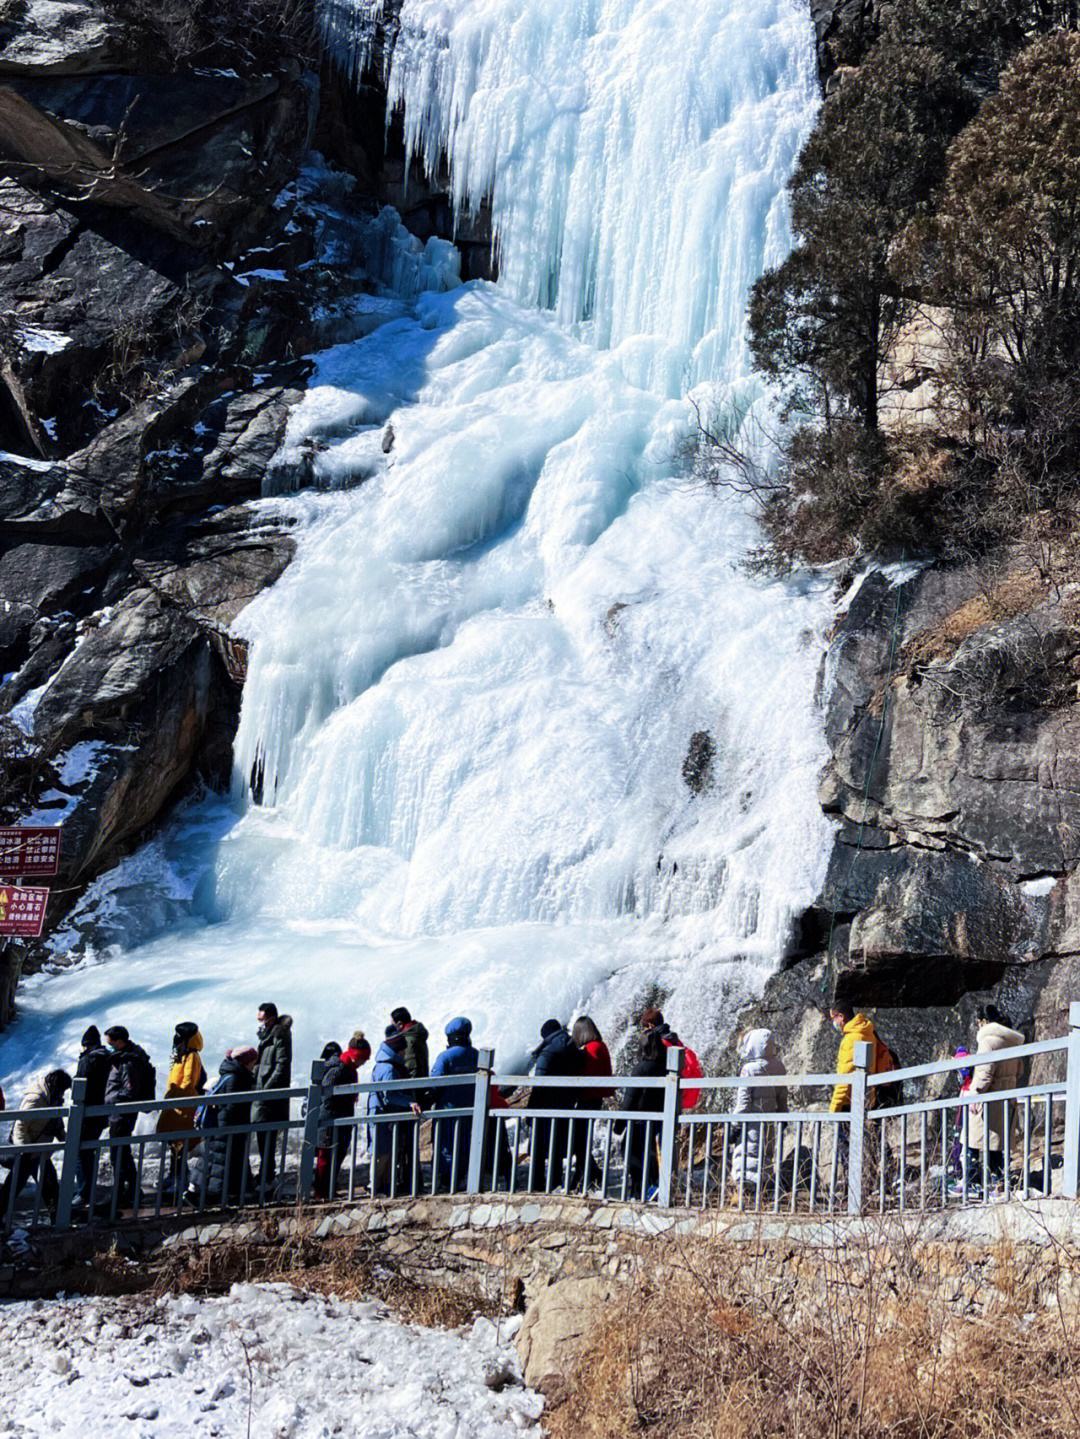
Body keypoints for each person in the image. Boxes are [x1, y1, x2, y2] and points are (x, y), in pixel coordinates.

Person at [189, 1046, 258, 1206]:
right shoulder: (236, 1077)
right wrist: (230, 1126)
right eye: (253, 1062)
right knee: (220, 1164)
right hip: (227, 1127)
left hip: (223, 1126)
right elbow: (232, 1106)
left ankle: (203, 1192)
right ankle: (212, 1197)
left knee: (216, 1161)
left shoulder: (231, 1074)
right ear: (246, 1062)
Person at [967, 1004, 1025, 1192]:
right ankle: (999, 1182)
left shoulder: (988, 1042)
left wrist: (974, 1094)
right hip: (1006, 1099)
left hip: (988, 1100)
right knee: (996, 1146)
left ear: (983, 1021)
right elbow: (1020, 1070)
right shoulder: (1011, 1041)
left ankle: (972, 1183)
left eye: (978, 1023)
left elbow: (984, 1073)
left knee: (973, 1141)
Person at [0, 1070, 71, 1218]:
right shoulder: (36, 1098)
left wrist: (65, 1138)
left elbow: (56, 1121)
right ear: (56, 1086)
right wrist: (26, 1150)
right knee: (13, 1187)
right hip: (28, 1150)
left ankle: (57, 1217)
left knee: (50, 1184)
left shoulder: (53, 1097)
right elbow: (20, 1125)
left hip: (39, 1149)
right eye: (62, 1090)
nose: (63, 1094)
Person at [527, 1019, 584, 1189]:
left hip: (544, 1106)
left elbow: (539, 1084)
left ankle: (536, 1184)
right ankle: (555, 1182)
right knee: (557, 1146)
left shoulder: (548, 1052)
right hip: (565, 1104)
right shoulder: (572, 1047)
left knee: (538, 1146)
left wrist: (530, 1110)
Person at [314, 1031, 371, 1199]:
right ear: (355, 1056)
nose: (363, 1063)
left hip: (340, 1118)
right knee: (326, 1157)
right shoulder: (340, 1069)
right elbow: (327, 1095)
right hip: (330, 1119)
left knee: (337, 1155)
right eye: (363, 1059)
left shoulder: (349, 1068)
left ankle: (328, 1189)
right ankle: (321, 1193)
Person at [729, 1029, 787, 1192]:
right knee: (765, 1156)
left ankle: (744, 1197)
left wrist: (734, 1124)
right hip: (768, 1122)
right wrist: (783, 1115)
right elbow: (782, 1095)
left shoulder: (749, 1069)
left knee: (747, 1157)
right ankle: (764, 1194)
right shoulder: (779, 1066)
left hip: (751, 1124)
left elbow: (743, 1102)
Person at [103, 1026, 155, 1209]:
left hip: (122, 1114)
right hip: (120, 1113)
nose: (107, 1046)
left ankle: (121, 1193)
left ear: (120, 1042)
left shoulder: (128, 1061)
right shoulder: (125, 1057)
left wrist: (111, 1099)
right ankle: (132, 1191)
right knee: (122, 1152)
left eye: (110, 1043)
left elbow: (130, 1090)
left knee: (118, 1154)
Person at [614, 1028, 668, 1199]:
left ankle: (640, 1191)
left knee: (631, 1152)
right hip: (656, 1118)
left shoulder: (641, 1068)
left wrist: (619, 1124)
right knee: (649, 1152)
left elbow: (630, 1098)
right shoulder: (665, 1066)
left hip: (638, 1119)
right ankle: (652, 1188)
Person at [429, 1017, 479, 1191]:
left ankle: (446, 1181)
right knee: (464, 1142)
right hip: (470, 1109)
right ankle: (462, 1178)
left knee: (446, 1145)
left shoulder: (445, 1056)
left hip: (447, 1109)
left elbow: (434, 1083)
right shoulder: (476, 1055)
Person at [368, 1028, 419, 1195]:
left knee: (387, 1153)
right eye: (403, 1049)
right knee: (382, 1155)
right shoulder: (389, 1069)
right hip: (383, 1117)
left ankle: (383, 1188)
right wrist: (409, 1101)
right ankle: (375, 1188)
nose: (405, 1052)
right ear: (397, 1050)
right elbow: (389, 1095)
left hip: (383, 1117)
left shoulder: (387, 1065)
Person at [828, 1004, 877, 1174]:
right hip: (865, 1098)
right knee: (865, 1143)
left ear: (841, 1017)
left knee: (846, 1148)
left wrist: (834, 1108)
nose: (833, 1022)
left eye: (833, 1018)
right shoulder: (868, 1033)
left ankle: (851, 1190)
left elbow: (845, 1077)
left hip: (848, 1102)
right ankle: (868, 1182)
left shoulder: (850, 1039)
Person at [571, 1016, 615, 1188]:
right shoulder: (599, 1045)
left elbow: (588, 1075)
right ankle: (590, 1172)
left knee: (579, 1139)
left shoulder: (591, 1049)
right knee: (580, 1138)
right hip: (595, 1098)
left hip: (588, 1098)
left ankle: (588, 1174)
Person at [253, 1003, 292, 1191]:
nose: (259, 1023)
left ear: (271, 1018)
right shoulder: (266, 1037)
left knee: (268, 1139)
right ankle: (265, 1175)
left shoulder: (280, 1036)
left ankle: (268, 1178)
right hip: (262, 1096)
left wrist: (265, 1091)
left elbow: (281, 1067)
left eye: (261, 1019)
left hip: (271, 1099)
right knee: (263, 1138)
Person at [73, 1026, 111, 1209]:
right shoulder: (108, 1058)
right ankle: (86, 1191)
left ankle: (83, 1192)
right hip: (101, 1113)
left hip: (86, 1113)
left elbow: (79, 1086)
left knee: (80, 1153)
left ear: (85, 1045)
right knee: (90, 1151)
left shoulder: (87, 1061)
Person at [156, 1022, 205, 1141]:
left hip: (183, 1103)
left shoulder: (192, 1056)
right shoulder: (182, 1054)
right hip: (176, 1101)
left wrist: (176, 1094)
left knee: (180, 1140)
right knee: (172, 1137)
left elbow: (189, 1081)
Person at [391, 1007, 430, 1083]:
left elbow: (411, 1069)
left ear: (400, 1024)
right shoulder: (416, 1035)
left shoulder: (408, 1041)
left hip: (415, 1090)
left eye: (392, 1025)